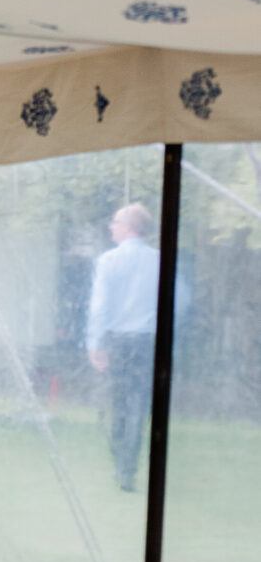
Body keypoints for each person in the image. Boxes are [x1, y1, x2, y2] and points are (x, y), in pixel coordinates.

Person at [85, 201, 164, 491]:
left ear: (129, 227)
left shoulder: (108, 261)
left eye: (116, 222)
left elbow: (100, 307)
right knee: (139, 406)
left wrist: (96, 343)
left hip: (119, 342)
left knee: (119, 403)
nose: (111, 226)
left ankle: (121, 463)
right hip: (147, 342)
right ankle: (128, 467)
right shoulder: (159, 260)